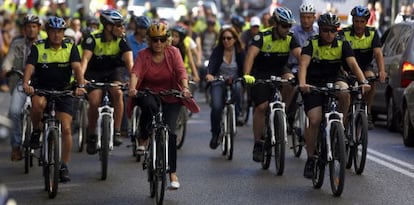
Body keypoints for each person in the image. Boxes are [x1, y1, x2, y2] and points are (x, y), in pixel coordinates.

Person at [298, 12, 371, 179]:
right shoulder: (312, 43)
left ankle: (341, 124)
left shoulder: (342, 43)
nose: (329, 34)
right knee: (315, 120)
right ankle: (310, 158)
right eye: (325, 30)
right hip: (313, 83)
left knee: (344, 92)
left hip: (334, 77)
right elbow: (303, 64)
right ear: (320, 30)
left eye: (333, 30)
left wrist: (363, 81)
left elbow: (353, 64)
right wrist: (302, 83)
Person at [128, 22, 196, 189]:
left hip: (171, 94)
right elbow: (136, 72)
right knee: (148, 106)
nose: (158, 43)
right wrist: (132, 88)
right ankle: (144, 137)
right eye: (154, 40)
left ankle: (172, 173)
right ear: (149, 41)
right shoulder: (144, 54)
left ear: (167, 40)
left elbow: (181, 71)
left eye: (161, 39)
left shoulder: (174, 52)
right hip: (149, 91)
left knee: (171, 133)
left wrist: (185, 88)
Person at [22, 16, 86, 182]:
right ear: (47, 32)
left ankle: (64, 165)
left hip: (64, 90)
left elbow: (77, 68)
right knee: (37, 104)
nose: (56, 35)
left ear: (64, 33)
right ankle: (37, 130)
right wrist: (26, 84)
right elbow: (29, 67)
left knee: (65, 128)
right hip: (42, 87)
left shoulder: (70, 47)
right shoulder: (38, 47)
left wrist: (80, 86)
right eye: (53, 31)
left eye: (60, 31)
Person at [243, 7, 301, 162]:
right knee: (261, 107)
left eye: (289, 26)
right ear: (276, 24)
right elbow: (250, 56)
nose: (287, 29)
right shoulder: (262, 36)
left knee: (290, 81)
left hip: (279, 69)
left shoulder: (291, 37)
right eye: (284, 25)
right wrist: (247, 76)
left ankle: (283, 111)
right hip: (261, 72)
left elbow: (301, 56)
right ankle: (258, 143)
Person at [81, 9, 133, 154]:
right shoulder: (93, 38)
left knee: (118, 93)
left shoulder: (122, 39)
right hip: (94, 73)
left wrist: (134, 80)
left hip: (113, 73)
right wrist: (81, 79)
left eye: (123, 25)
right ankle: (92, 134)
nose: (122, 28)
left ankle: (116, 131)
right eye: (118, 25)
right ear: (108, 26)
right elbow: (84, 60)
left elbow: (130, 63)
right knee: (94, 100)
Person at [1, 14, 42, 161]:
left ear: (38, 29)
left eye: (34, 27)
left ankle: (43, 138)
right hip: (20, 82)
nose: (31, 30)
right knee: (14, 112)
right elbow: (8, 60)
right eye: (28, 27)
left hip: (40, 83)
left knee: (45, 110)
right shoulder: (17, 43)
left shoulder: (45, 43)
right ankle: (16, 146)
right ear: (24, 29)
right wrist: (6, 68)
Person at [339, 6, 387, 130]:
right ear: (353, 20)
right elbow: (337, 53)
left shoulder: (372, 33)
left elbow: (378, 54)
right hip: (347, 68)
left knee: (371, 78)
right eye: (356, 21)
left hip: (365, 66)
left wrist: (382, 71)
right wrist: (341, 70)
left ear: (366, 22)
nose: (359, 25)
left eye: (362, 22)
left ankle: (368, 111)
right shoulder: (344, 33)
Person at [206, 27, 245, 149]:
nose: (226, 41)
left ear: (234, 39)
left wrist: (246, 77)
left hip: (235, 80)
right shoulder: (218, 51)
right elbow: (211, 65)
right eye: (223, 38)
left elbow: (245, 67)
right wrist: (209, 75)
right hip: (219, 80)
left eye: (229, 38)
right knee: (217, 107)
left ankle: (238, 114)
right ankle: (215, 134)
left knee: (238, 87)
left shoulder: (239, 51)